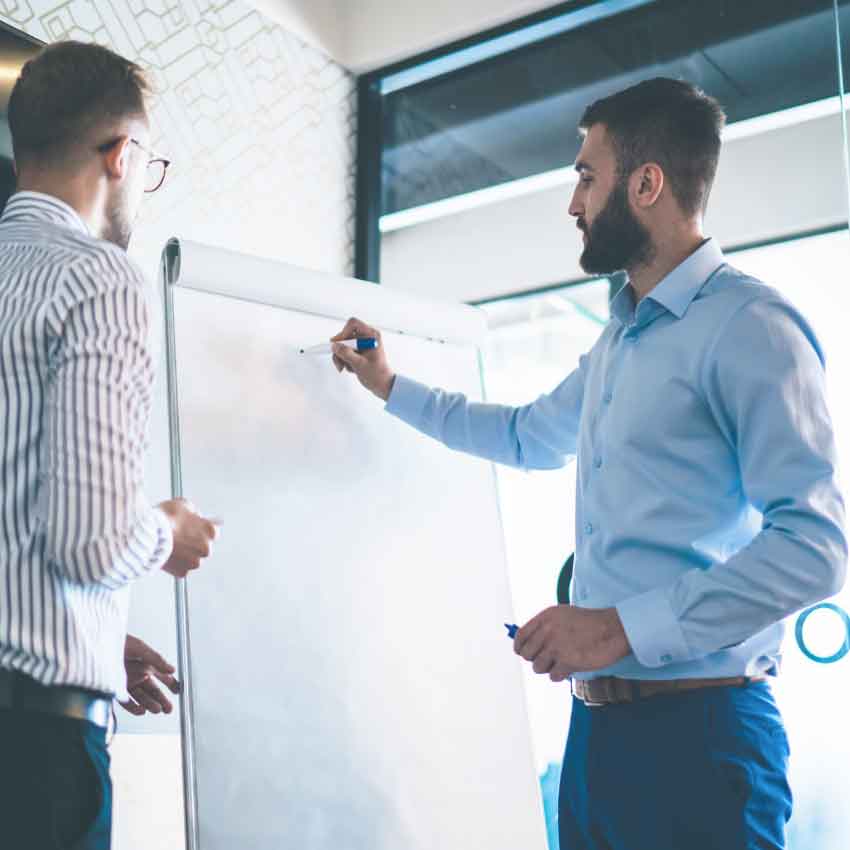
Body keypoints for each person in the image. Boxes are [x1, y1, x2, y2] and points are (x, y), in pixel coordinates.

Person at [330, 78, 847, 849]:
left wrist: (617, 629)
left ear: (647, 184)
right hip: (596, 738)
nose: (572, 203)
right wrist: (388, 385)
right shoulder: (618, 341)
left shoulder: (753, 327)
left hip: (704, 740)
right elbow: (523, 436)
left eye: (584, 175)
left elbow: (816, 548)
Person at [0, 41, 220, 849]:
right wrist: (172, 531)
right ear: (123, 155)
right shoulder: (100, 278)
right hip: (36, 756)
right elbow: (90, 542)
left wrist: (91, 637)